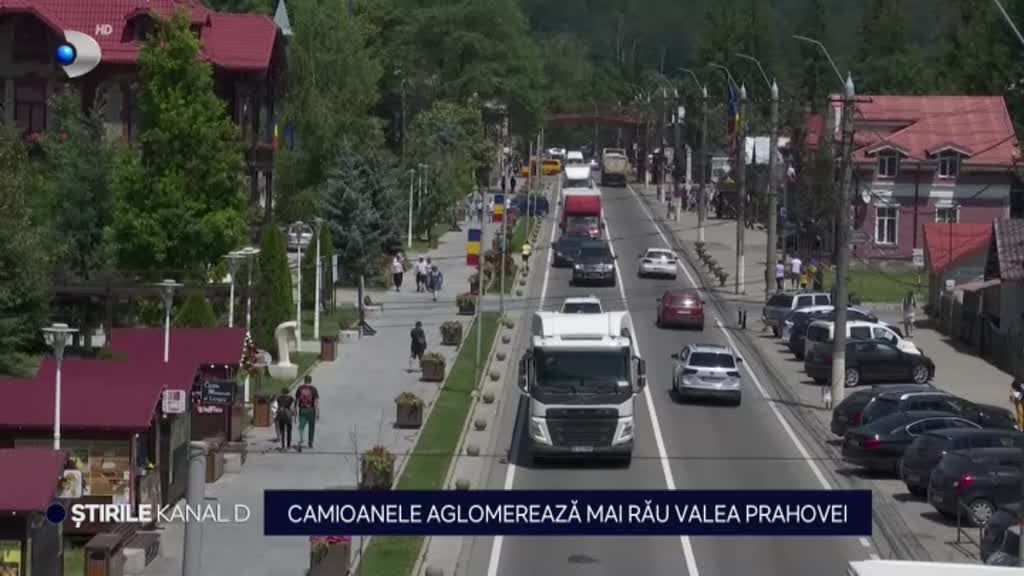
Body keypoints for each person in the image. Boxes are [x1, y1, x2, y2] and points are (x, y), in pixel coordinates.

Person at [295, 375, 319, 450]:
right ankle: (310, 443)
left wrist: (295, 409)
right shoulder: (314, 389)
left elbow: (297, 400)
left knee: (301, 426)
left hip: (302, 410)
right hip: (311, 410)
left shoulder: (300, 388)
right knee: (311, 427)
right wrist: (318, 412)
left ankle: (301, 439)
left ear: (304, 380)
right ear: (310, 381)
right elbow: (316, 401)